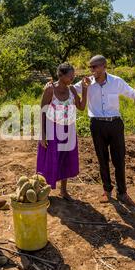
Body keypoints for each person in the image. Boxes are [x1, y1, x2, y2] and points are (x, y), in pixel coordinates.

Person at [74, 56, 135, 207]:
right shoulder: (87, 83)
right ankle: (107, 190)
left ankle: (122, 193)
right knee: (102, 159)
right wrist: (53, 85)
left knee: (119, 159)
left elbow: (133, 95)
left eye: (94, 67)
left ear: (104, 66)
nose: (92, 70)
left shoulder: (116, 81)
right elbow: (68, 89)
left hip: (115, 124)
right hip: (97, 124)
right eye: (90, 67)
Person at [37, 63, 90, 201]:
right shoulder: (50, 90)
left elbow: (81, 107)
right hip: (52, 129)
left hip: (69, 129)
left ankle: (63, 190)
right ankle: (45, 191)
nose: (73, 77)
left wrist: (84, 89)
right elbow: (42, 111)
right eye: (70, 75)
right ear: (61, 75)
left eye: (74, 75)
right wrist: (42, 135)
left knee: (66, 158)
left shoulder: (72, 90)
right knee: (51, 159)